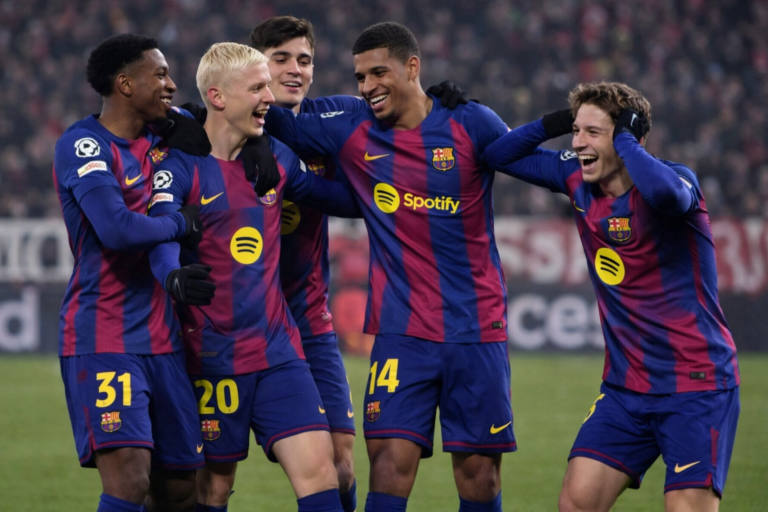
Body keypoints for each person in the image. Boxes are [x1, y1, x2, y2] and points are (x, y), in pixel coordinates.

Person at [265, 22, 514, 512]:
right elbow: (260, 117)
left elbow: (521, 157)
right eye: (360, 76)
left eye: (305, 60)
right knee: (385, 466)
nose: (367, 86)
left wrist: (444, 108)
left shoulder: (356, 119)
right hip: (380, 330)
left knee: (473, 475)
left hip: (463, 327)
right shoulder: (342, 125)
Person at [484, 81, 740, 512]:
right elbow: (497, 155)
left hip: (696, 384)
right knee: (576, 503)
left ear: (627, 138)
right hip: (626, 387)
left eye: (593, 132)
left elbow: (665, 194)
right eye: (576, 131)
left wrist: (624, 141)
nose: (578, 143)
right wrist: (558, 121)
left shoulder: (674, 181)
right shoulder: (576, 178)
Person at [146, 42, 361, 512]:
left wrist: (388, 165)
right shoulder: (179, 166)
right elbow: (160, 236)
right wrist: (173, 275)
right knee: (213, 489)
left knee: (322, 475)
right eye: (258, 87)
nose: (270, 97)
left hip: (278, 353)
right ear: (218, 97)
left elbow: (341, 199)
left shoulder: (276, 158)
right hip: (209, 358)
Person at [53, 34, 215, 512]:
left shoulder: (162, 134)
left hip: (164, 338)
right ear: (125, 84)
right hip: (104, 333)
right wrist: (179, 223)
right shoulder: (84, 145)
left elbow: (225, 123)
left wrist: (256, 148)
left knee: (182, 488)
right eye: (159, 74)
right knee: (129, 481)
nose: (171, 84)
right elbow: (117, 229)